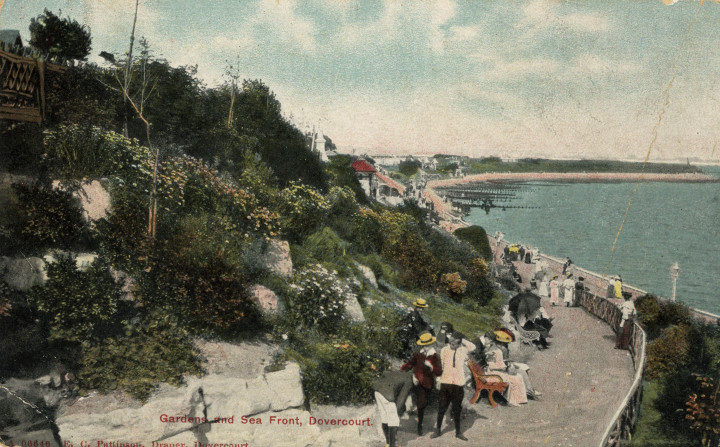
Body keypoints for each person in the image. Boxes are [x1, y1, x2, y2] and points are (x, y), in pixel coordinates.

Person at [431, 332, 476, 441]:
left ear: (460, 343)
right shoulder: (444, 350)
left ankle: (458, 432)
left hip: (458, 384)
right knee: (442, 407)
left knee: (457, 409)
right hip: (446, 382)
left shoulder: (463, 351)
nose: (451, 345)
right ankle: (438, 430)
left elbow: (473, 347)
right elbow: (442, 365)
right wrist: (439, 380)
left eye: (454, 343)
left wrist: (462, 338)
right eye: (450, 342)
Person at [401, 332, 442, 435]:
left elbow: (438, 371)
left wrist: (431, 366)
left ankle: (420, 426)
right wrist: (402, 369)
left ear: (431, 344)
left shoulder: (434, 356)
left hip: (426, 382)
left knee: (421, 402)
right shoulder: (419, 353)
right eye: (424, 344)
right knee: (404, 389)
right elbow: (411, 363)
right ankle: (405, 410)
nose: (426, 346)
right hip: (415, 379)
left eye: (427, 345)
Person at [373, 369, 414, 447]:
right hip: (387, 395)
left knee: (385, 418)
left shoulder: (400, 372)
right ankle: (392, 446)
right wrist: (397, 412)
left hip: (377, 391)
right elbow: (401, 400)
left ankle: (388, 443)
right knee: (394, 421)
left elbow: (385, 373)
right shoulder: (409, 380)